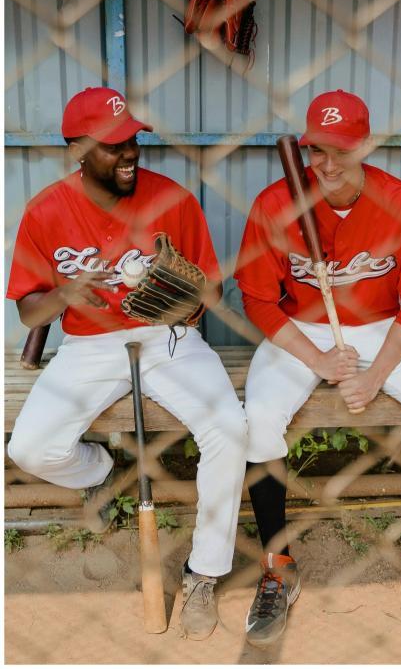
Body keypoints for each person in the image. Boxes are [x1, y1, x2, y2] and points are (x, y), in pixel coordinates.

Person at [7, 86, 248, 641]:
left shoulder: (173, 199)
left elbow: (210, 292)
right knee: (29, 448)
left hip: (167, 339)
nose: (129, 152)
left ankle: (205, 572)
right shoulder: (45, 210)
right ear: (78, 150)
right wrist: (65, 294)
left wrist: (183, 294)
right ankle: (101, 474)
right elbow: (27, 312)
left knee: (230, 429)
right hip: (88, 345)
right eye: (113, 144)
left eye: (132, 139)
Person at [234, 90, 401, 646]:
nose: (328, 164)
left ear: (365, 144)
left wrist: (372, 374)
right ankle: (278, 563)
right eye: (317, 149)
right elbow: (258, 300)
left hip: (382, 328)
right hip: (302, 330)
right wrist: (318, 358)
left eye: (342, 149)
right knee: (261, 417)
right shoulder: (276, 204)